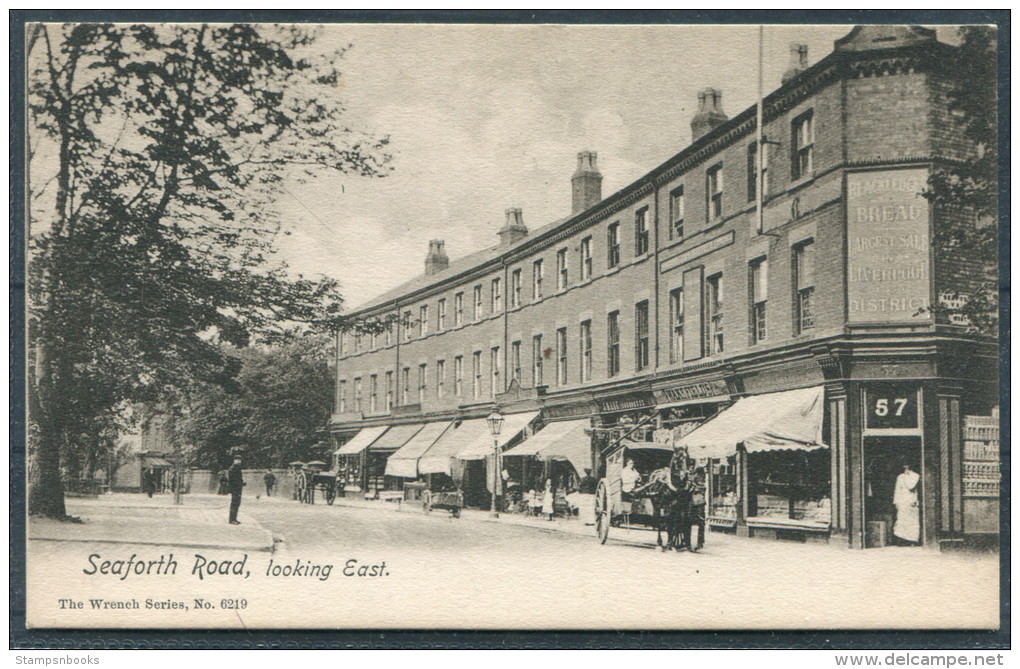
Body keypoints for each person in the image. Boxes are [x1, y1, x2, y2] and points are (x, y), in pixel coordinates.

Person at [892, 462, 921, 546]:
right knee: (901, 521)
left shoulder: (915, 475)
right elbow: (897, 490)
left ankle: (912, 541)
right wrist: (896, 502)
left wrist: (908, 475)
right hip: (902, 501)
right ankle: (902, 540)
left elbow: (910, 486)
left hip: (911, 501)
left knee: (912, 522)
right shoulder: (900, 477)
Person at [688, 466, 707, 551]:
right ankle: (700, 542)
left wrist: (693, 485)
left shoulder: (696, 478)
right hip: (698, 501)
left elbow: (700, 487)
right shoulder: (699, 477)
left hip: (695, 501)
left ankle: (697, 542)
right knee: (700, 522)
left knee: (691, 520)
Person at [227, 456, 246, 525]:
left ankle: (234, 518)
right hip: (235, 489)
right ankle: (232, 519)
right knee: (234, 503)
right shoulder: (233, 468)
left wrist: (242, 483)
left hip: (237, 488)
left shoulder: (237, 468)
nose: (239, 461)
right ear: (234, 460)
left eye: (240, 460)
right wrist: (241, 483)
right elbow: (233, 480)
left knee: (237, 503)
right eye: (237, 460)